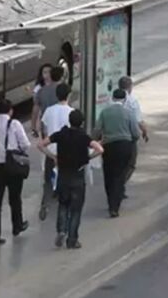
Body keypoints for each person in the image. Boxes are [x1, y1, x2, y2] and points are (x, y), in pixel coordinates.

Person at [38, 110, 103, 249]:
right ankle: (72, 239)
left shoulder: (61, 134)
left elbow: (41, 145)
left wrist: (53, 156)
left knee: (63, 205)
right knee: (76, 210)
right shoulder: (83, 137)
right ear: (82, 123)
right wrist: (87, 159)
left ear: (69, 120)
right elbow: (100, 149)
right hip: (77, 177)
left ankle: (61, 230)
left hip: (63, 176)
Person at [0, 100, 30, 244]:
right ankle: (17, 225)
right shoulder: (15, 124)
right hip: (13, 165)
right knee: (15, 197)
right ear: (10, 110)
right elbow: (26, 144)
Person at [94, 89, 140, 218]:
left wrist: (96, 140)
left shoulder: (104, 112)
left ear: (112, 98)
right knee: (120, 175)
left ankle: (110, 202)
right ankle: (115, 206)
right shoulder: (128, 113)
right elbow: (136, 133)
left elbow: (97, 130)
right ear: (124, 99)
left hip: (109, 146)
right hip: (125, 146)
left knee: (109, 174)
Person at [35, 66, 66, 221]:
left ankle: (44, 202)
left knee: (48, 171)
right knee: (63, 171)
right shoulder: (64, 100)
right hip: (63, 141)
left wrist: (39, 131)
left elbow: (38, 114)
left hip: (50, 138)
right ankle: (58, 193)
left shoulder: (42, 92)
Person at [118, 76, 148, 198]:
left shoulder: (112, 99)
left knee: (117, 164)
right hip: (129, 138)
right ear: (130, 87)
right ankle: (120, 184)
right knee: (130, 163)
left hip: (113, 137)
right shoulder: (132, 101)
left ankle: (117, 184)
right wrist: (145, 132)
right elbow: (139, 121)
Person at [30, 63, 53, 137]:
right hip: (46, 120)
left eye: (49, 72)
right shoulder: (39, 89)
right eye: (45, 72)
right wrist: (33, 127)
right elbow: (35, 108)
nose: (47, 74)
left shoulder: (58, 86)